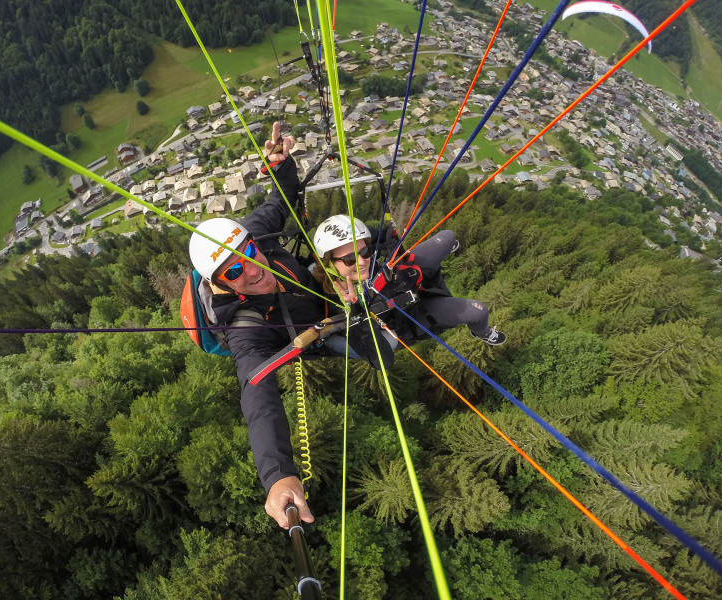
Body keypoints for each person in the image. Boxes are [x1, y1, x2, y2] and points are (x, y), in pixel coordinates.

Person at [188, 122, 321, 529]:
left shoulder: (253, 236)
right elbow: (257, 393)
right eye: (234, 270)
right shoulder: (244, 326)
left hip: (314, 294)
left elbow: (278, 201)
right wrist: (278, 476)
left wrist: (281, 166)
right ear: (218, 283)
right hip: (315, 331)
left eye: (247, 252)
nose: (251, 268)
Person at [312, 214, 507, 347]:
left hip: (404, 276)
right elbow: (367, 343)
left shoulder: (364, 263)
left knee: (448, 236)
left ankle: (448, 248)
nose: (362, 261)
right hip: (412, 314)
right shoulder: (335, 300)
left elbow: (381, 238)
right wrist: (356, 310)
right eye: (350, 259)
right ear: (329, 264)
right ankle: (482, 333)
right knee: (479, 311)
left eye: (365, 251)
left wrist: (391, 241)